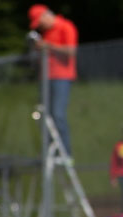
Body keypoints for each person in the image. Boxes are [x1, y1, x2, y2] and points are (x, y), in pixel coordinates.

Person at [28, 4, 77, 157]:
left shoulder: (66, 27)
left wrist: (48, 46)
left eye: (40, 22)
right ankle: (49, 150)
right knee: (44, 115)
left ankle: (65, 153)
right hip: (46, 78)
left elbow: (71, 51)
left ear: (45, 15)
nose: (40, 26)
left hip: (61, 77)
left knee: (58, 114)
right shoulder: (46, 33)